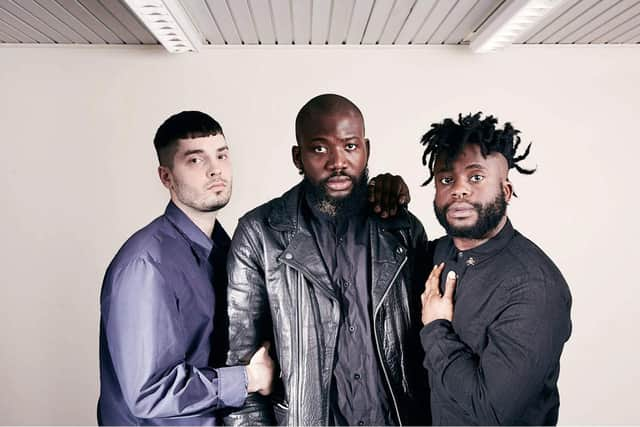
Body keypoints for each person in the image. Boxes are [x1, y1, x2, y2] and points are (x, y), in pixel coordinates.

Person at [222, 94, 430, 426]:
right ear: (298, 157)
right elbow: (241, 370)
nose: (337, 162)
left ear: (366, 151)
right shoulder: (259, 234)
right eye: (320, 149)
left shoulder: (403, 231)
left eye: (350, 146)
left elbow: (427, 347)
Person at [98, 111, 274, 426]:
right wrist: (250, 378)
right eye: (196, 160)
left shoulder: (226, 248)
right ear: (166, 177)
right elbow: (150, 393)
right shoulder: (147, 264)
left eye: (221, 155)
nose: (215, 169)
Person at [418, 113, 572, 425]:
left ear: (506, 191)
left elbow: (490, 413)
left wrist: (436, 329)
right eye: (447, 180)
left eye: (475, 178)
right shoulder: (439, 252)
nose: (459, 190)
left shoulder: (533, 287)